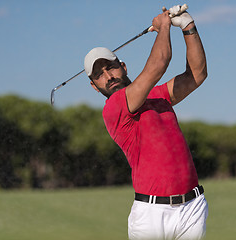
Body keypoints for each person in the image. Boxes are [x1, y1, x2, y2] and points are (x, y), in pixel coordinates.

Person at [84, 5, 208, 240]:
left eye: (110, 67)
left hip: (192, 207)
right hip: (152, 214)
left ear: (123, 67)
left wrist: (189, 28)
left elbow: (197, 74)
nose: (108, 76)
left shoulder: (158, 94)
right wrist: (164, 27)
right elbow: (159, 63)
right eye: (99, 74)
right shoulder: (114, 108)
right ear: (94, 85)